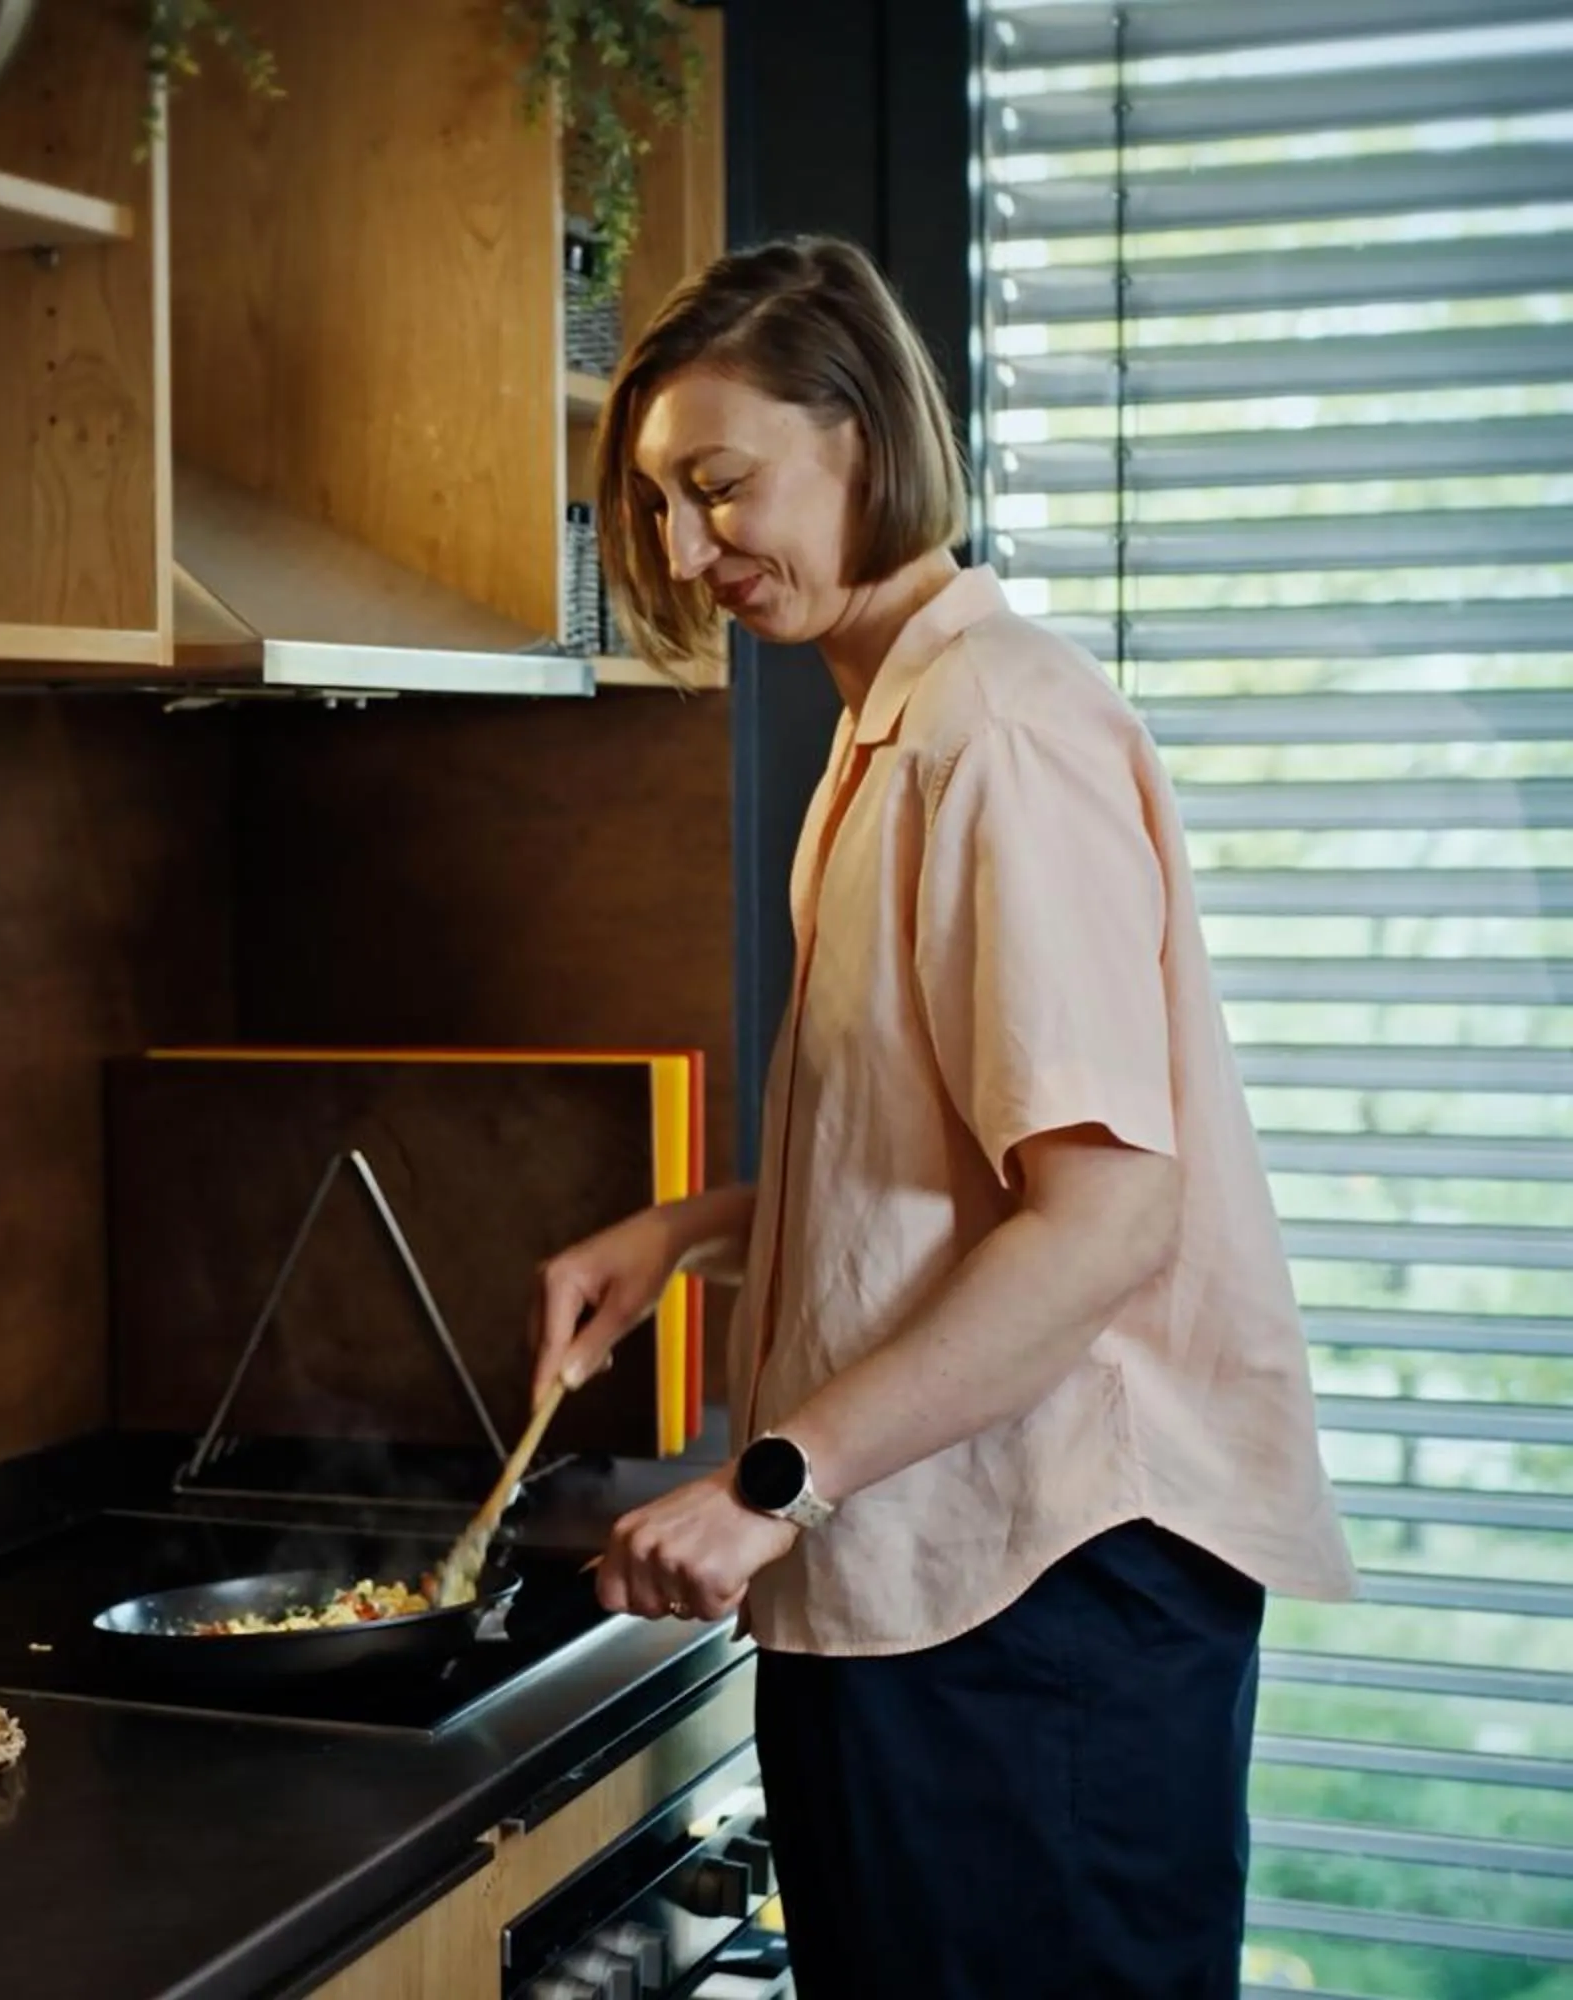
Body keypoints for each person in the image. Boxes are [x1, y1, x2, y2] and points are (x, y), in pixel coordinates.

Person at [530, 238, 1356, 1999]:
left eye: (720, 487)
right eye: (666, 511)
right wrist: (694, 1228)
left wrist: (771, 1483)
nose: (688, 554)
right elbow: (968, 1158)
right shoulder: (894, 726)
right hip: (948, 1572)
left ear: (863, 433)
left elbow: (1107, 1217)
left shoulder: (999, 733)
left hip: (1044, 1591)